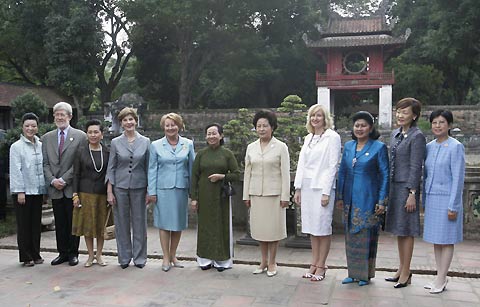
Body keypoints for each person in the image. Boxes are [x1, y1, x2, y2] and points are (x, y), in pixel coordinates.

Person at [336, 111, 389, 286]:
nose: (360, 128)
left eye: (363, 125)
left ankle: (365, 275)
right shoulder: (349, 146)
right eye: (357, 125)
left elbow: (385, 175)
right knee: (351, 236)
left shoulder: (378, 147)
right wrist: (340, 196)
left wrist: (382, 200)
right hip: (349, 198)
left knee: (366, 235)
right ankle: (352, 273)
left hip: (368, 197)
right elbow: (342, 171)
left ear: (370, 128)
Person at [293, 104, 341, 282]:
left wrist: (327, 192)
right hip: (307, 187)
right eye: (313, 116)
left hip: (322, 187)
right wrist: (298, 188)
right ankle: (313, 262)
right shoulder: (308, 138)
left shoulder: (332, 137)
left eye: (319, 116)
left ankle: (322, 265)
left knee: (322, 227)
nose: (315, 119)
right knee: (312, 228)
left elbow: (332, 165)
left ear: (325, 118)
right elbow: (301, 164)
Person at [385, 98, 426, 288]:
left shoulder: (417, 136)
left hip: (406, 187)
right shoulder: (395, 134)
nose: (400, 115)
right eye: (398, 111)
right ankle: (401, 268)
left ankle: (407, 271)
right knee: (399, 229)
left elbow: (416, 166)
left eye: (405, 112)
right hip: (394, 186)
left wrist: (412, 192)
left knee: (407, 229)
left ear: (414, 116)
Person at [243, 110, 290, 277]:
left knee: (273, 230)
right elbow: (247, 172)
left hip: (274, 195)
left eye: (265, 126)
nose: (262, 129)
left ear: (272, 127)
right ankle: (262, 261)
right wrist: (246, 195)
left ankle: (272, 262)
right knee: (260, 230)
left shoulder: (281, 147)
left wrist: (286, 196)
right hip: (256, 193)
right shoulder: (251, 147)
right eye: (258, 126)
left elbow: (286, 173)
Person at [423, 110, 465, 294]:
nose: (438, 126)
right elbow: (426, 175)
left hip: (447, 198)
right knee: (436, 240)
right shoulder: (429, 146)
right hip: (432, 198)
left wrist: (453, 205)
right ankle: (440, 276)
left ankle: (441, 278)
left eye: (442, 122)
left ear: (449, 125)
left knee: (447, 240)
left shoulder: (456, 147)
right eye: (434, 122)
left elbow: (458, 178)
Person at [148, 113, 195, 272]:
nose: (170, 128)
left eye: (173, 124)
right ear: (163, 127)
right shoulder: (156, 145)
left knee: (178, 223)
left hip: (181, 188)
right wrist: (151, 191)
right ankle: (165, 257)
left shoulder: (188, 144)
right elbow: (152, 169)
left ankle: (174, 255)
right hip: (163, 189)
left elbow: (192, 168)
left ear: (179, 126)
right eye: (167, 125)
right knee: (164, 224)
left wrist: (193, 192)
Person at [106, 107, 152, 269]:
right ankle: (124, 257)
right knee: (121, 223)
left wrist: (149, 190)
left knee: (140, 223)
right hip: (120, 187)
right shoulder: (115, 142)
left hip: (140, 187)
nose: (128, 122)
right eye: (125, 120)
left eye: (131, 119)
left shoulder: (145, 141)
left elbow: (149, 167)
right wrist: (110, 191)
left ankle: (140, 258)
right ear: (121, 123)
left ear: (136, 121)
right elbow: (111, 167)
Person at [190, 123, 240, 271]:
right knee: (205, 227)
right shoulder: (201, 154)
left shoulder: (227, 154)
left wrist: (222, 176)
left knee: (221, 225)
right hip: (204, 196)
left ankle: (222, 260)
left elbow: (236, 174)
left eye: (214, 133)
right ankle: (204, 259)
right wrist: (194, 197)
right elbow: (194, 177)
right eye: (209, 134)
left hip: (221, 196)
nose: (211, 136)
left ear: (221, 135)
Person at [42, 102, 87, 266]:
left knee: (73, 222)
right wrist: (53, 180)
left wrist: (64, 179)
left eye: (63, 114)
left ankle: (73, 253)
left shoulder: (81, 136)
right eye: (57, 115)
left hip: (72, 187)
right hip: (55, 188)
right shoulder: (46, 138)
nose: (59, 117)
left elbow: (79, 162)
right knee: (60, 222)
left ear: (70, 116)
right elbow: (44, 163)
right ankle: (62, 253)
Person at [9, 113, 47, 266]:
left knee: (35, 224)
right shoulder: (16, 147)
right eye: (27, 126)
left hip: (37, 191)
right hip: (23, 192)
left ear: (37, 127)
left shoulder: (41, 144)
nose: (30, 128)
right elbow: (16, 170)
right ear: (22, 127)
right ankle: (25, 256)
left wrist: (44, 191)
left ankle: (35, 253)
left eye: (33, 126)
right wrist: (20, 191)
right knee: (24, 225)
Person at [71, 119, 110, 267]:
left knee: (100, 226)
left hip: (102, 194)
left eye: (96, 132)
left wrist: (110, 193)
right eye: (90, 132)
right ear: (86, 134)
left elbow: (110, 174)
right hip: (85, 193)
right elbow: (76, 174)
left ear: (102, 134)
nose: (93, 135)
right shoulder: (80, 151)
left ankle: (99, 255)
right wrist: (75, 194)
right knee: (87, 226)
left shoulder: (107, 152)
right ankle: (90, 255)